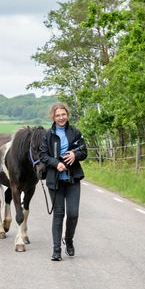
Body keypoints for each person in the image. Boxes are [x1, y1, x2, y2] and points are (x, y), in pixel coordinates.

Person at [39, 103, 87, 261]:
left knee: (73, 214)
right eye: (58, 115)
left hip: (72, 179)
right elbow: (43, 155)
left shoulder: (75, 132)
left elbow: (84, 151)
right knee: (59, 214)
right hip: (55, 181)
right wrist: (55, 163)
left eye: (63, 114)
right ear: (53, 117)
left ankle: (69, 240)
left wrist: (75, 154)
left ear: (67, 115)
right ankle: (56, 250)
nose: (61, 118)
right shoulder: (47, 135)